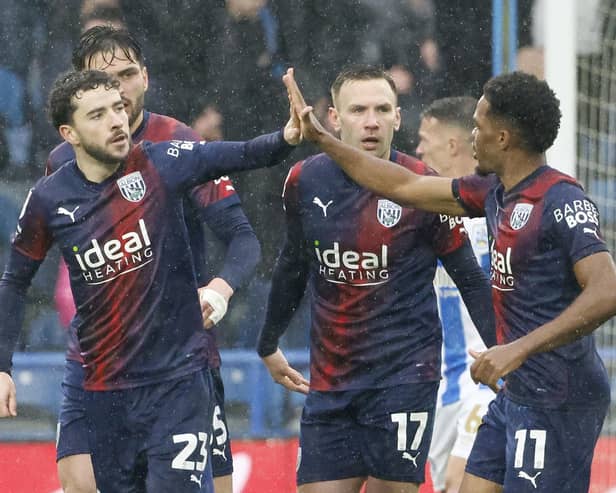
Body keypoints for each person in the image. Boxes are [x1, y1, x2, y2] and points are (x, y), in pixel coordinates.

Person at [284, 68, 616, 493]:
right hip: (516, 390)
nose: (470, 137)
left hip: (559, 394)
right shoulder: (493, 192)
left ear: (503, 138)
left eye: (477, 127)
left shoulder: (561, 199)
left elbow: (606, 291)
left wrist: (517, 348)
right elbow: (406, 185)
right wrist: (324, 140)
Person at [0, 69, 300, 491]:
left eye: (119, 109)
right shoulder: (49, 199)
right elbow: (14, 281)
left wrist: (286, 136)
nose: (117, 121)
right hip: (105, 391)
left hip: (177, 382)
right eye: (98, 114)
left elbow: (242, 153)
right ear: (69, 133)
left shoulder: (161, 162)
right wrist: (2, 366)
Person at [257, 66, 495, 493]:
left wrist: (505, 348)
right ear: (334, 118)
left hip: (405, 377)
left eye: (383, 109)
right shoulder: (304, 181)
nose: (371, 120)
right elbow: (293, 265)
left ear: (398, 118)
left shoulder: (424, 186)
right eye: (359, 110)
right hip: (332, 383)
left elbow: (470, 279)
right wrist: (268, 342)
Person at [46, 26, 260, 493]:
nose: (118, 90)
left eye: (127, 74)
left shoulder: (178, 142)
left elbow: (243, 238)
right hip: (97, 359)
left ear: (146, 76)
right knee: (80, 483)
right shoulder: (61, 161)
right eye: (103, 81)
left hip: (179, 360)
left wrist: (220, 290)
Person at [416, 96, 495, 493]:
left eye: (424, 138)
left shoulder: (501, 210)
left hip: (486, 380)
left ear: (452, 146)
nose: (418, 148)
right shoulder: (423, 216)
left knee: (462, 482)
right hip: (442, 393)